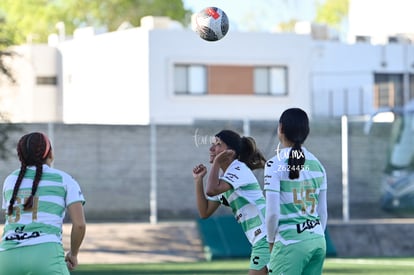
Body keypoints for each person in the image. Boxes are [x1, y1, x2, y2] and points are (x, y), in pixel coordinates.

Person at [0, 132, 86, 274]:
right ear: (50, 154)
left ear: (20, 156)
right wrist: (73, 254)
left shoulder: (10, 180)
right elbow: (80, 225)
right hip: (45, 253)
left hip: (6, 256)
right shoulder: (64, 179)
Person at [192, 129, 269, 275]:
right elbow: (205, 212)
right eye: (212, 144)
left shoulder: (238, 169)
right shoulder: (225, 178)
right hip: (263, 238)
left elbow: (211, 190)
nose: (211, 148)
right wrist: (198, 180)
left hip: (266, 236)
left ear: (230, 152)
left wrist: (216, 163)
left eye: (218, 144)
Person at [264, 108, 328, 275]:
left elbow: (272, 214)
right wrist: (315, 234)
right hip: (317, 241)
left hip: (290, 242)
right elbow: (322, 212)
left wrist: (271, 242)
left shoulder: (274, 164)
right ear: (306, 132)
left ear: (281, 128)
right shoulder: (318, 165)